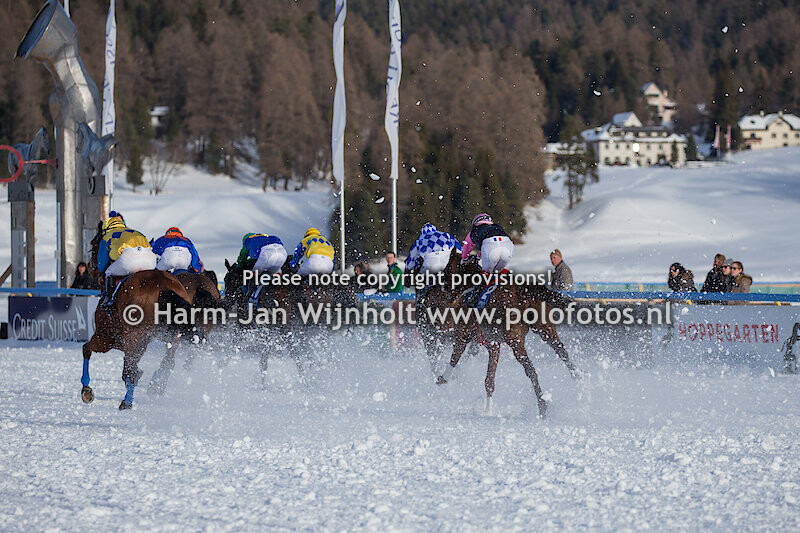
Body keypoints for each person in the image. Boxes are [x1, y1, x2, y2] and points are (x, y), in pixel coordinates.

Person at [96, 211, 157, 306]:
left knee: (109, 272)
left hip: (129, 260)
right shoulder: (135, 231)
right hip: (150, 260)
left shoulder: (108, 236)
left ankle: (109, 299)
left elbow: (101, 263)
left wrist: (101, 271)